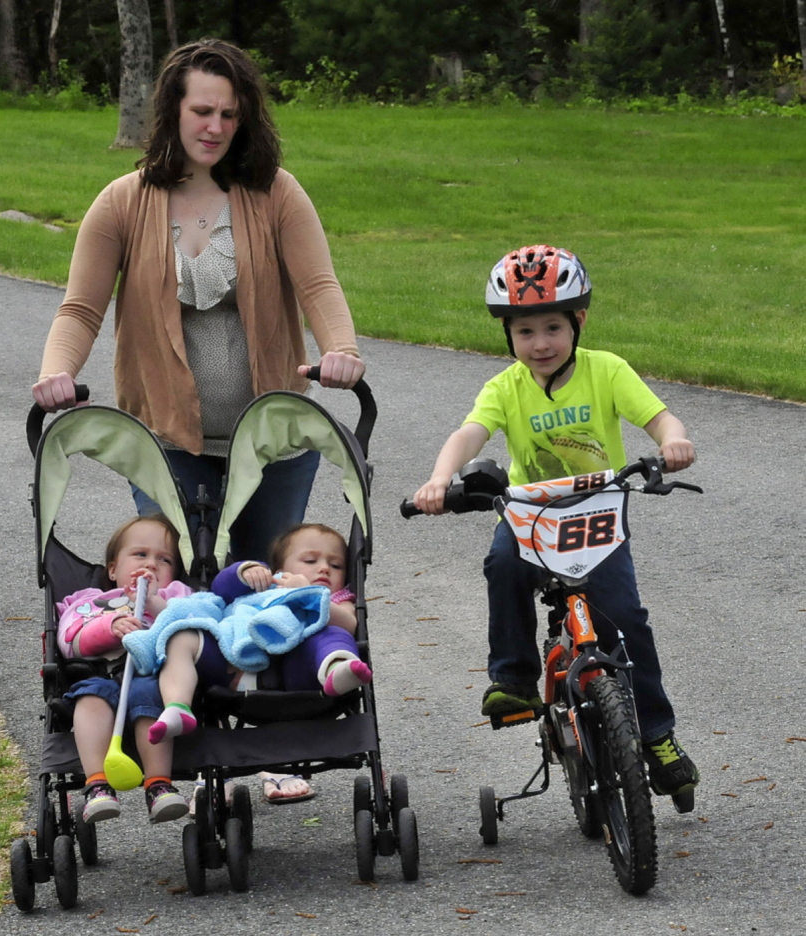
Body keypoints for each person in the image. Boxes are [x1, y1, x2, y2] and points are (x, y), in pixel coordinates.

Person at [31, 38, 366, 562]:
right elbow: (79, 309)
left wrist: (341, 350)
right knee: (181, 589)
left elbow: (318, 286)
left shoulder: (277, 192)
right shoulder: (122, 201)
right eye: (203, 111)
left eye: (230, 114)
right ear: (173, 111)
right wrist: (56, 372)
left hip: (272, 442)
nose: (216, 127)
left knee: (264, 589)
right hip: (164, 442)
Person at [411, 245, 700, 799]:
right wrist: (439, 479)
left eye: (551, 327)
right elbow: (469, 434)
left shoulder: (607, 370)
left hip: (597, 516)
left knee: (626, 621)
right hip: (532, 516)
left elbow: (659, 417)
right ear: (507, 335)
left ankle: (658, 735)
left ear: (578, 322)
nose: (540, 343)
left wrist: (673, 441)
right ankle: (514, 678)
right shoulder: (505, 388)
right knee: (502, 562)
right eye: (524, 332)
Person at [132, 523, 370, 804]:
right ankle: (177, 707)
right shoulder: (266, 584)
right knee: (182, 636)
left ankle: (338, 669)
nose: (324, 569)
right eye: (310, 560)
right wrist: (246, 571)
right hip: (235, 667)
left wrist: (311, 595)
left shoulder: (337, 599)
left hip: (296, 673)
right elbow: (221, 589)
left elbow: (350, 623)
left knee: (333, 635)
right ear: (279, 567)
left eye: (336, 565)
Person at [56, 514, 193, 823]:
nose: (151, 564)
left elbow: (193, 624)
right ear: (114, 569)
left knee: (150, 698)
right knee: (89, 697)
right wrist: (109, 625)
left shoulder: (176, 596)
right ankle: (97, 783)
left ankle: (158, 783)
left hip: (153, 678)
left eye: (164, 559)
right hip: (101, 675)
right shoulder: (93, 601)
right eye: (140, 554)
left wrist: (155, 603)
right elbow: (70, 639)